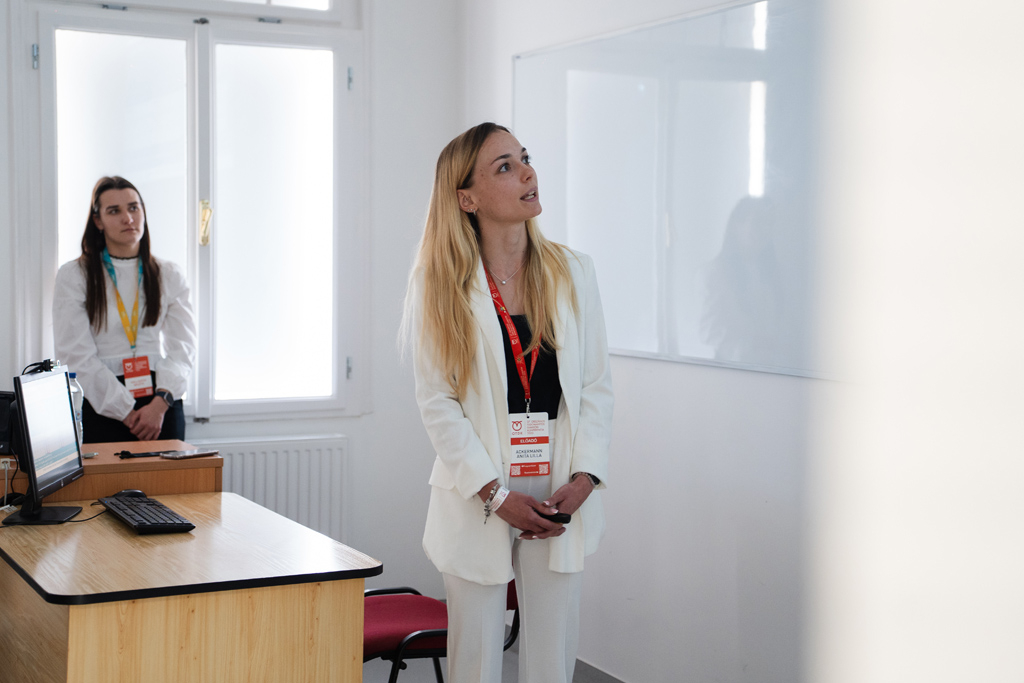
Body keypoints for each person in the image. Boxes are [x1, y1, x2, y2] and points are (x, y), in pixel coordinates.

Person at [404, 123, 614, 683]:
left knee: (552, 657)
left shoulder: (574, 271)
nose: (527, 173)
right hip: (478, 486)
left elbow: (595, 386)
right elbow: (437, 402)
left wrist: (586, 478)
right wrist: (495, 494)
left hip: (559, 483)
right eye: (504, 166)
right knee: (475, 659)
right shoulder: (439, 283)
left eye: (524, 158)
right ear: (466, 199)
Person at [53, 176, 197, 443]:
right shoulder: (74, 275)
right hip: (101, 402)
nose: (128, 218)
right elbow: (75, 355)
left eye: (133, 208)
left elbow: (184, 348)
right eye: (114, 211)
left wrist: (159, 405)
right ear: (98, 221)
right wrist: (127, 412)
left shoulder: (169, 273)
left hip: (161, 403)